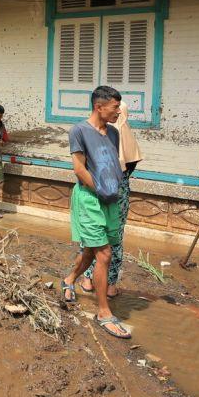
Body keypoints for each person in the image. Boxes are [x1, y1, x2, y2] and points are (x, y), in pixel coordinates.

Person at [60, 86, 131, 339]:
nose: (118, 112)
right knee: (104, 253)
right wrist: (99, 189)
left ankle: (69, 279)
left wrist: (116, 190)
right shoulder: (79, 131)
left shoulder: (113, 133)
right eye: (114, 108)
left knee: (91, 252)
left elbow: (112, 164)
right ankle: (103, 312)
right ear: (99, 106)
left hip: (112, 200)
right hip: (90, 199)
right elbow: (79, 168)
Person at [81, 107, 143, 298]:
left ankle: (88, 279)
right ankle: (110, 285)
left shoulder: (97, 131)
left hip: (97, 186)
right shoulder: (123, 132)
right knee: (114, 236)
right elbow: (131, 162)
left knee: (94, 233)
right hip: (118, 187)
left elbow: (83, 164)